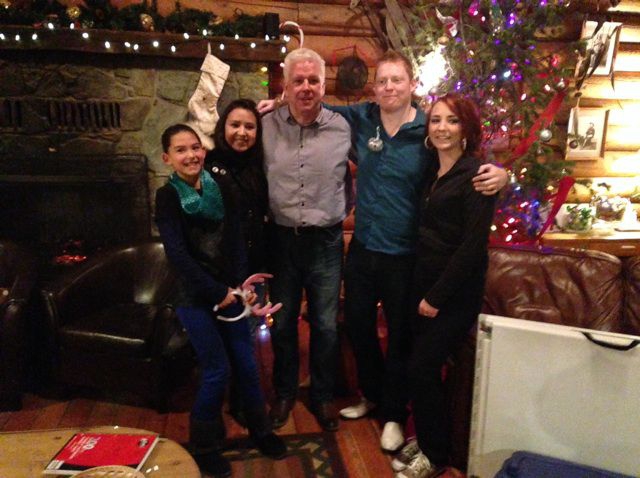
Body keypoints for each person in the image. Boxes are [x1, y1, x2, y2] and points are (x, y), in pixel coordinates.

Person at [258, 50, 506, 450]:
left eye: (397, 80)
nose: (389, 87)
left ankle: (393, 413)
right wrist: (278, 103)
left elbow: (461, 159)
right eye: (383, 81)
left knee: (399, 336)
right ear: (374, 87)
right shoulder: (361, 117)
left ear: (412, 85)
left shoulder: (429, 129)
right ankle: (371, 395)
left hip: (405, 255)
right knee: (358, 328)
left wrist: (500, 172)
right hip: (363, 248)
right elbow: (316, 102)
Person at [155, 124, 285, 478]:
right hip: (193, 296)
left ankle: (261, 431)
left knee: (246, 364)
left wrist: (240, 285)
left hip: (231, 291)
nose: (191, 155)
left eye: (195, 147)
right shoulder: (167, 196)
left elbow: (236, 239)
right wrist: (218, 292)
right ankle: (205, 446)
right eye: (181, 150)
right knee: (217, 371)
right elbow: (178, 256)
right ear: (167, 158)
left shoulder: (220, 185)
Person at [396, 94, 496, 478]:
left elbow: (472, 247)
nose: (442, 128)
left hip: (454, 295)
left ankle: (436, 455)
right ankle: (426, 438)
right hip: (423, 283)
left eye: (452, 121)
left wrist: (437, 297)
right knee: (418, 366)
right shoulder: (433, 170)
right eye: (435, 120)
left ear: (466, 128)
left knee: (422, 368)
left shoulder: (477, 176)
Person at [262, 48, 352, 432]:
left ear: (323, 85)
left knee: (325, 325)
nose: (306, 87)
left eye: (313, 80)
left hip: (326, 243)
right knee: (282, 323)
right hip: (281, 241)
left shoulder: (343, 127)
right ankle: (284, 392)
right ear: (285, 84)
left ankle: (322, 395)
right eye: (298, 80)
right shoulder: (264, 125)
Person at [206, 99, 269, 427]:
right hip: (221, 266)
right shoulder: (209, 163)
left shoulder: (260, 164)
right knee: (225, 335)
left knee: (248, 333)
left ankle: (242, 400)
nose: (242, 132)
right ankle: (221, 401)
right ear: (223, 128)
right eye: (235, 125)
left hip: (254, 264)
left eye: (249, 126)